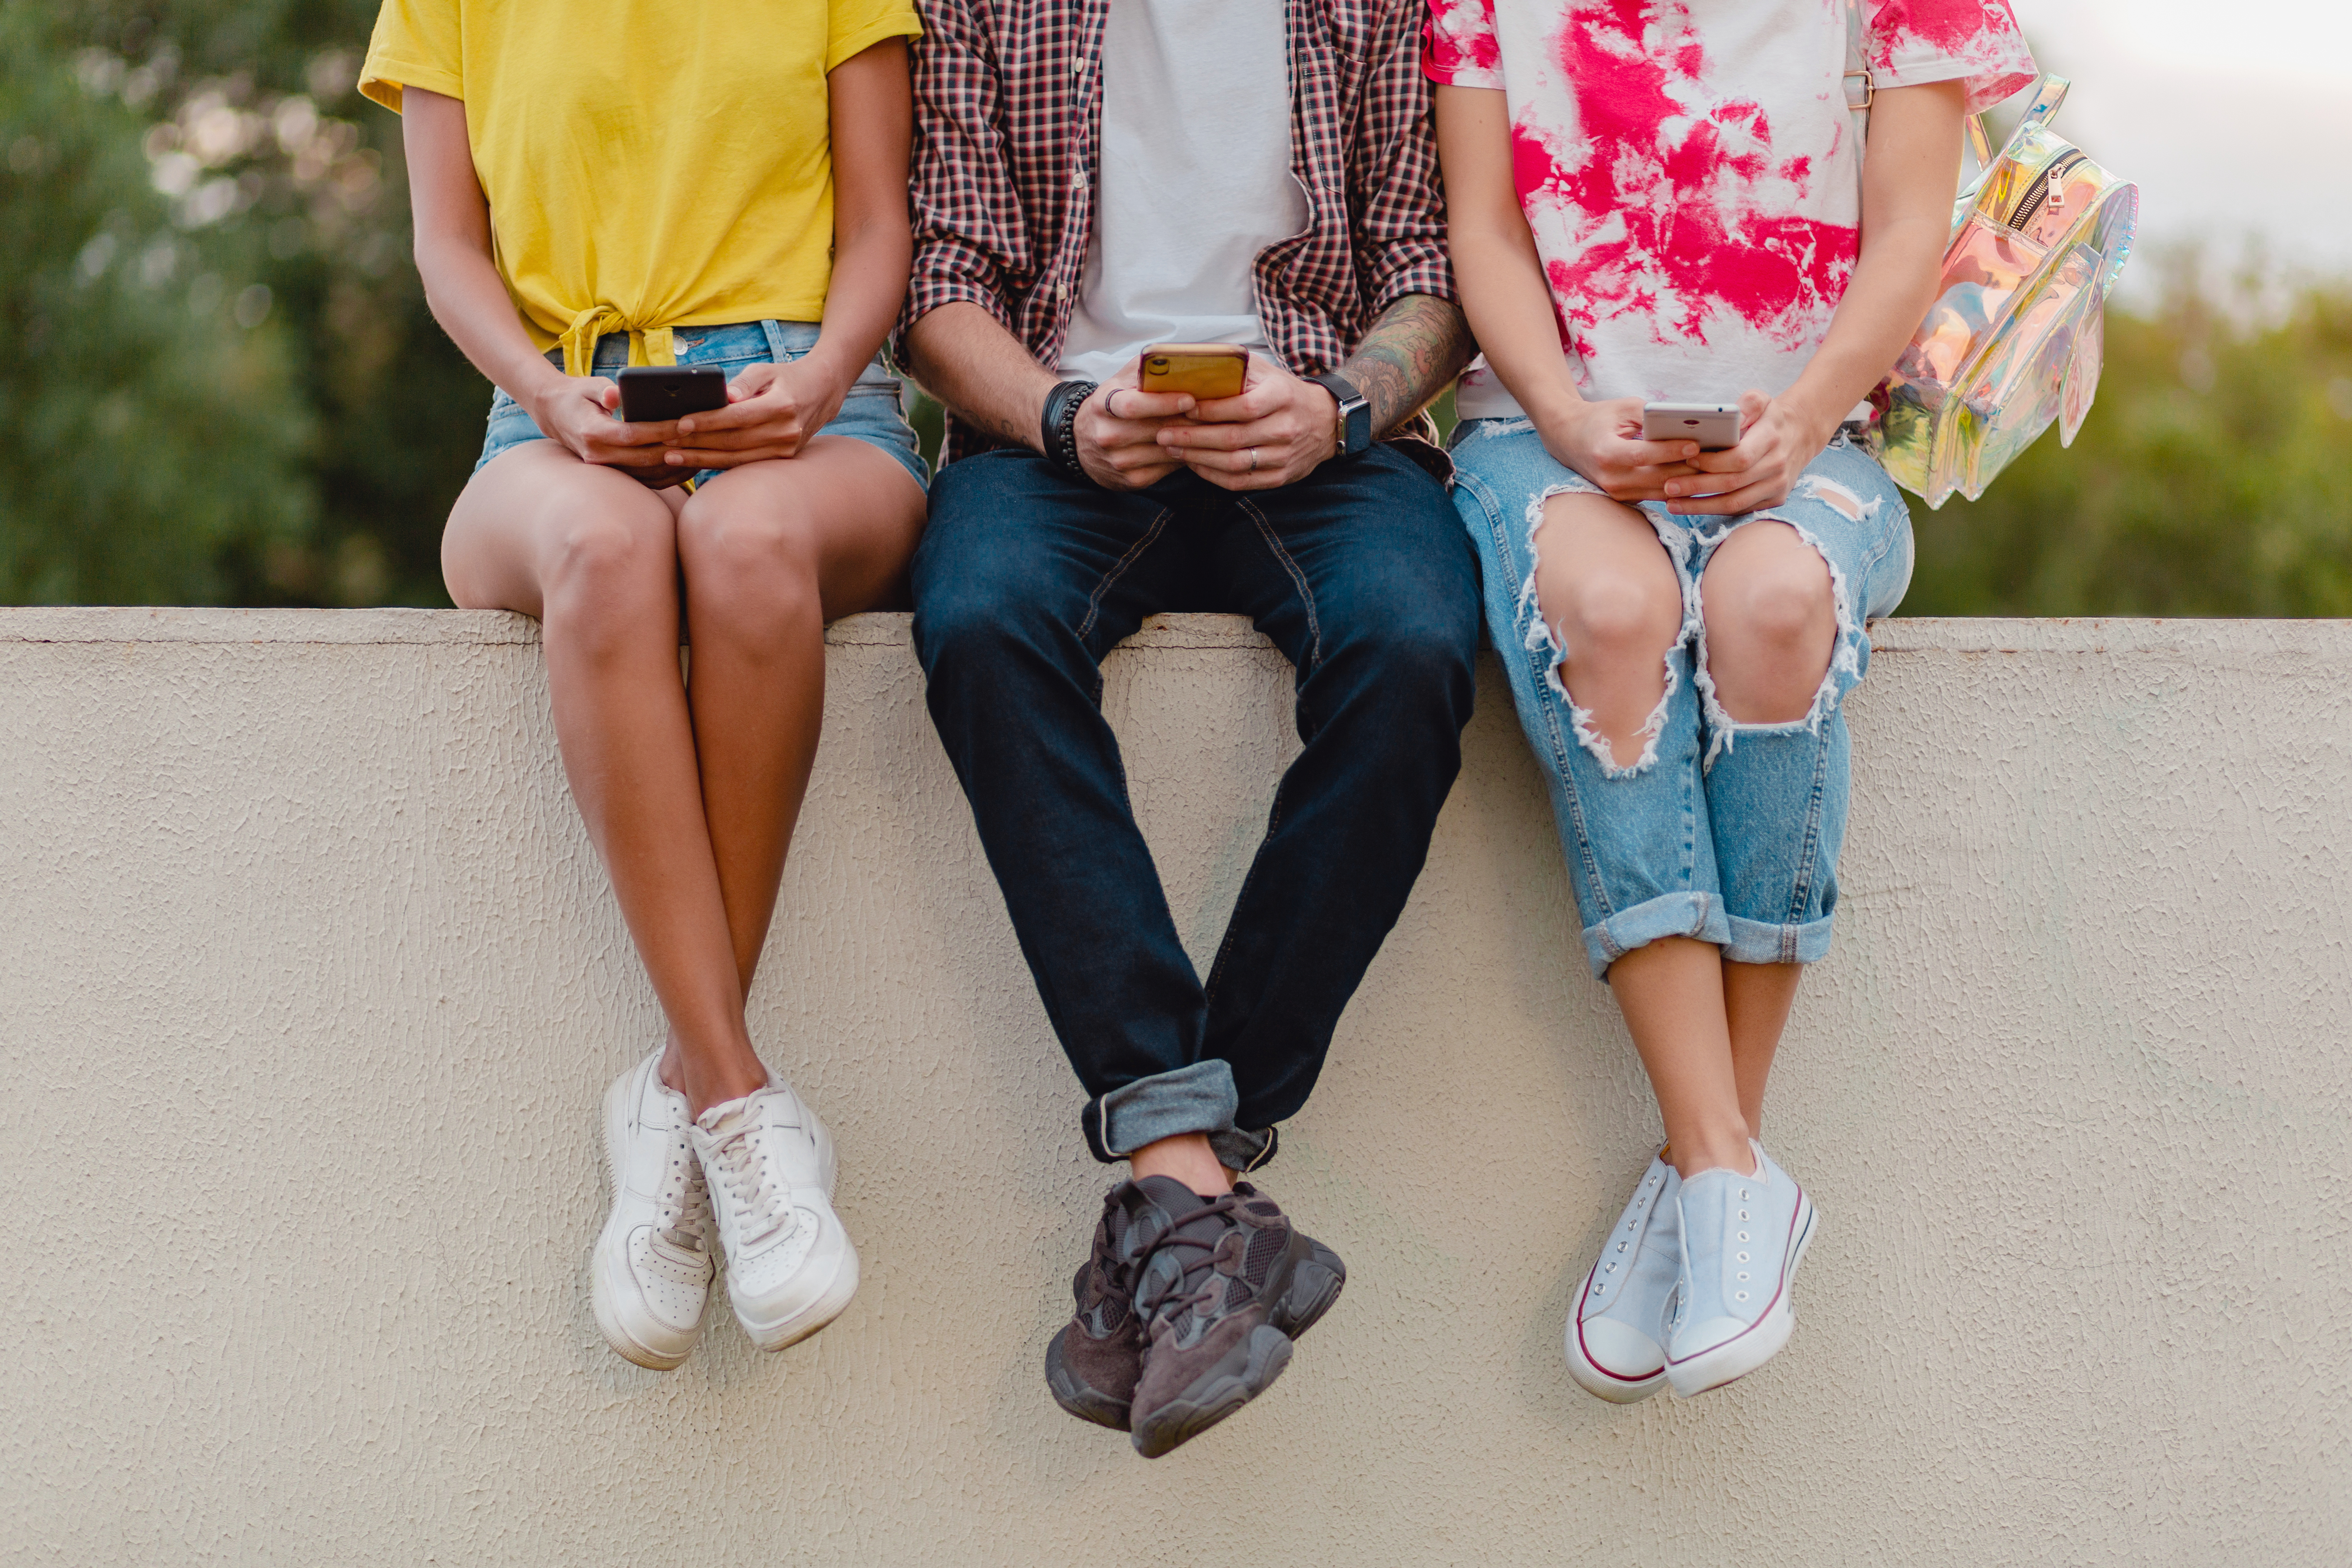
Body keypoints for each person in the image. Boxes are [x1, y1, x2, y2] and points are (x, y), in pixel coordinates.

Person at [897, 0, 1482, 1457]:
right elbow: (940, 286)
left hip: (1317, 439)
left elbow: (1432, 271)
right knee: (979, 622)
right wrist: (1059, 414)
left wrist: (1338, 408)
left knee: (1412, 644)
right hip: (1057, 443)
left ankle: (1183, 1177)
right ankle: (1199, 1186)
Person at [1427, 0, 2033, 1398]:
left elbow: (1909, 228)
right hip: (1546, 439)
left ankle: (1708, 1164)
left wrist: (1800, 420)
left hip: (1812, 439)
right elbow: (1485, 230)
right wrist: (1568, 418)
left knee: (1771, 609)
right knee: (1610, 616)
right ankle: (1724, 1168)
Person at [359, 0, 929, 1370]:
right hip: (550, 419)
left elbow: (879, 227)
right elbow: (446, 247)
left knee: (744, 546)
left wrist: (819, 380)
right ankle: (731, 1096)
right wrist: (548, 395)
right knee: (607, 555)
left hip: (813, 411)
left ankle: (667, 1102)